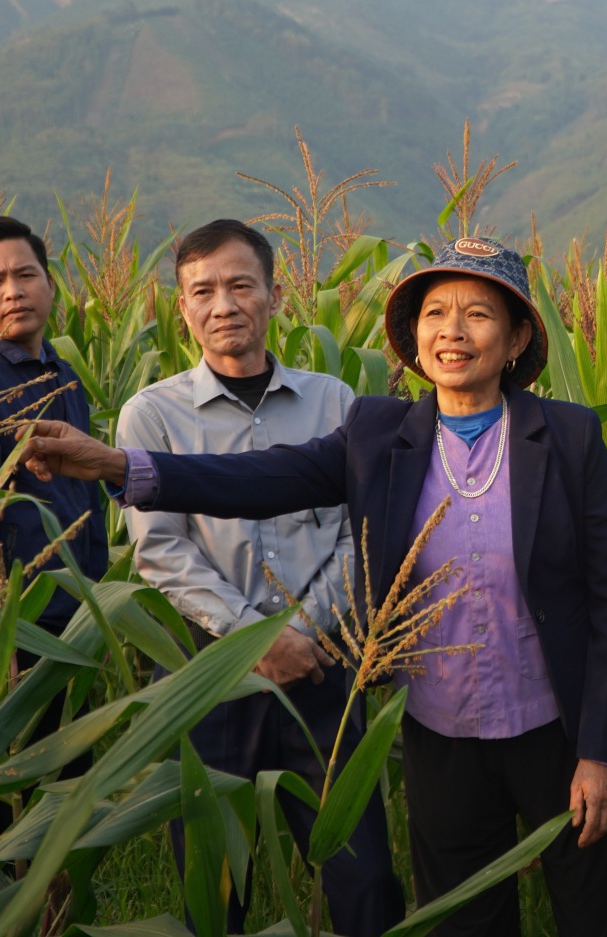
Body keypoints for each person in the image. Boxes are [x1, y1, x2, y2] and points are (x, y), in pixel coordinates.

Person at [22, 237, 607, 936]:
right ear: (414, 334)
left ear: (518, 336)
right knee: (466, 920)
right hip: (441, 737)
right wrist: (115, 464)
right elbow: (260, 478)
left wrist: (602, 753)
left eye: (478, 314)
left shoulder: (567, 437)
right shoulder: (379, 433)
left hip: (555, 731)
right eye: (436, 312)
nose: (453, 331)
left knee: (600, 914)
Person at [115, 220, 404, 935]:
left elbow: (358, 533)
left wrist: (301, 634)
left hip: (323, 669)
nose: (223, 305)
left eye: (241, 285)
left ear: (276, 295)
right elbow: (161, 551)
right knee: (215, 888)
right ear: (181, 307)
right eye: (202, 291)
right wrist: (255, 639)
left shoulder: (334, 402)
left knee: (364, 877)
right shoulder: (151, 414)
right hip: (210, 677)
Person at [0, 214, 108, 752]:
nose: (13, 292)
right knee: (15, 791)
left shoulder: (62, 373)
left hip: (69, 616)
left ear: (50, 285)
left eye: (26, 275)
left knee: (65, 783)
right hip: (14, 625)